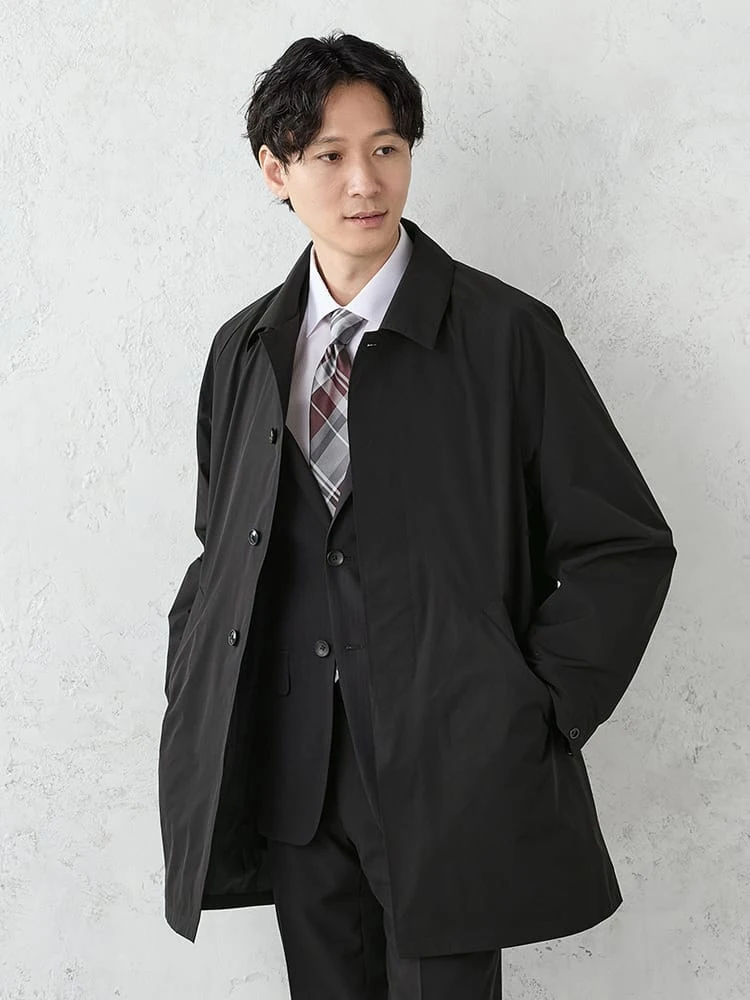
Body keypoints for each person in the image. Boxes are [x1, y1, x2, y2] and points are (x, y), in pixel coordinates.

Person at [158, 31, 677, 1000]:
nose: (365, 181)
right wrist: (195, 670)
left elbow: (622, 544)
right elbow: (218, 545)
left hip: (452, 771)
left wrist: (536, 708)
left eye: (387, 148)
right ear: (275, 171)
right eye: (329, 155)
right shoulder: (245, 349)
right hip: (294, 771)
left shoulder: (505, 335)